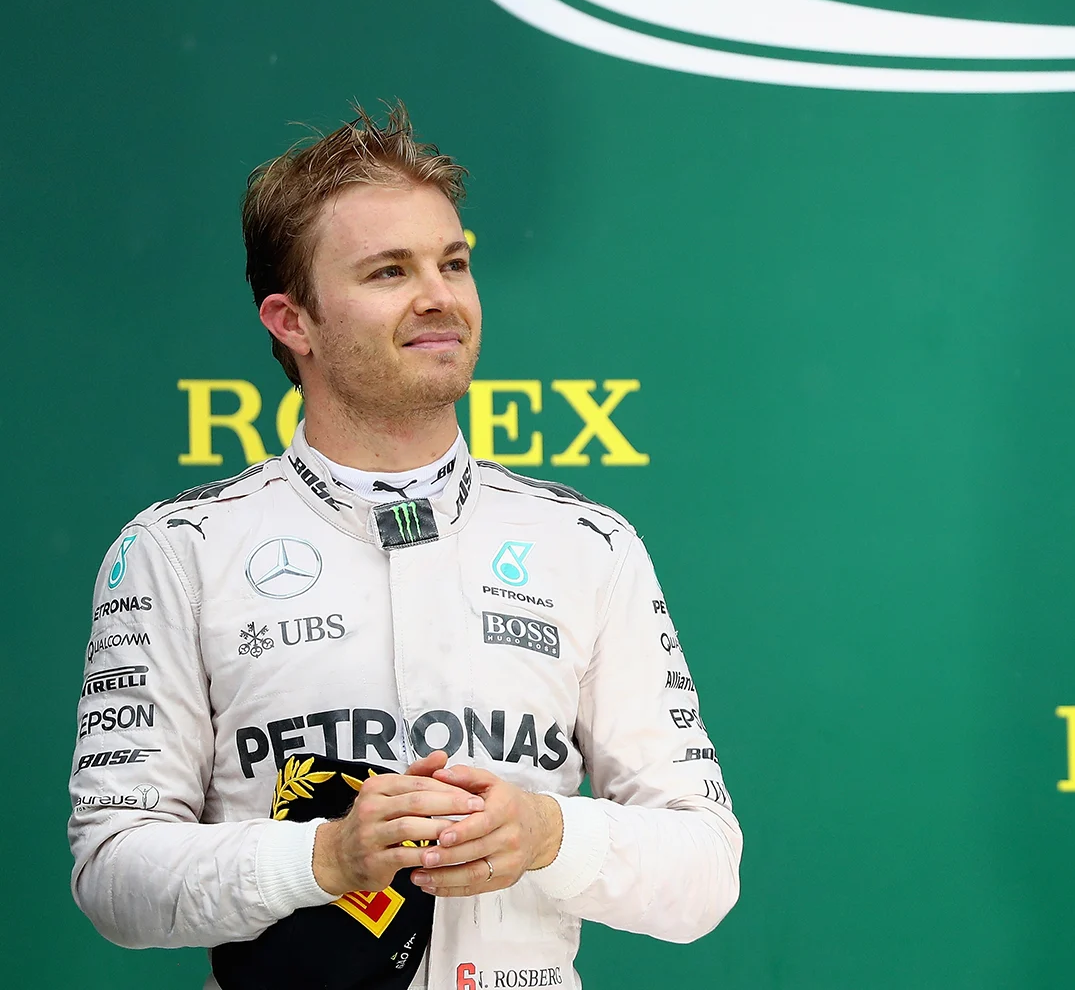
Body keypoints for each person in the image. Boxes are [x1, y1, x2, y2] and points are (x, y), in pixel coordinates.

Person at [70, 103, 740, 990]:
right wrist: (323, 858)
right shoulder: (178, 552)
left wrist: (549, 833)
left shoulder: (588, 545)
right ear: (292, 321)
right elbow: (112, 872)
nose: (439, 296)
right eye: (389, 271)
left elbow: (705, 871)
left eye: (452, 263)